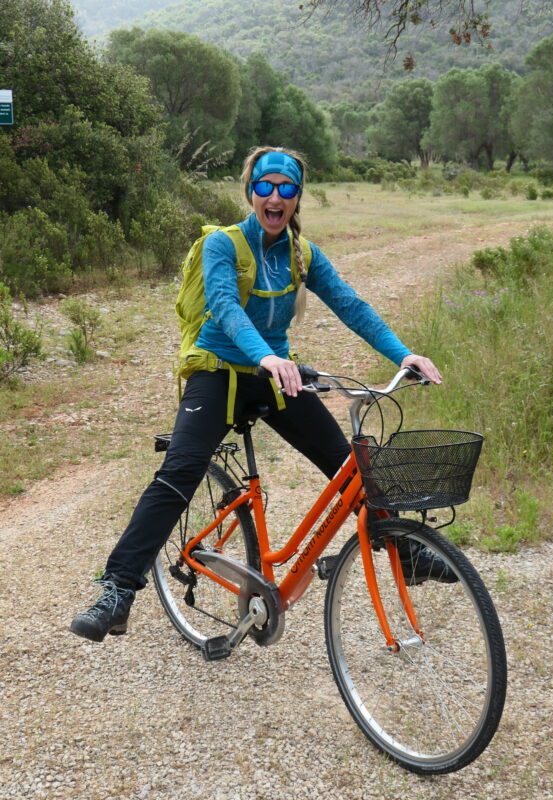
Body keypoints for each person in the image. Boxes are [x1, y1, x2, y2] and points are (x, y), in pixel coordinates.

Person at [70, 146, 447, 643]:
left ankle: (404, 550)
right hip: (219, 371)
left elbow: (351, 306)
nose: (275, 197)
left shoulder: (302, 254)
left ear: (296, 198)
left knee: (348, 465)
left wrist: (403, 354)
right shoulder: (223, 245)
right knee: (179, 471)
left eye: (286, 189)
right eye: (265, 187)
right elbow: (225, 306)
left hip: (275, 377)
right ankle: (118, 590)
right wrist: (265, 355)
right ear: (251, 192)